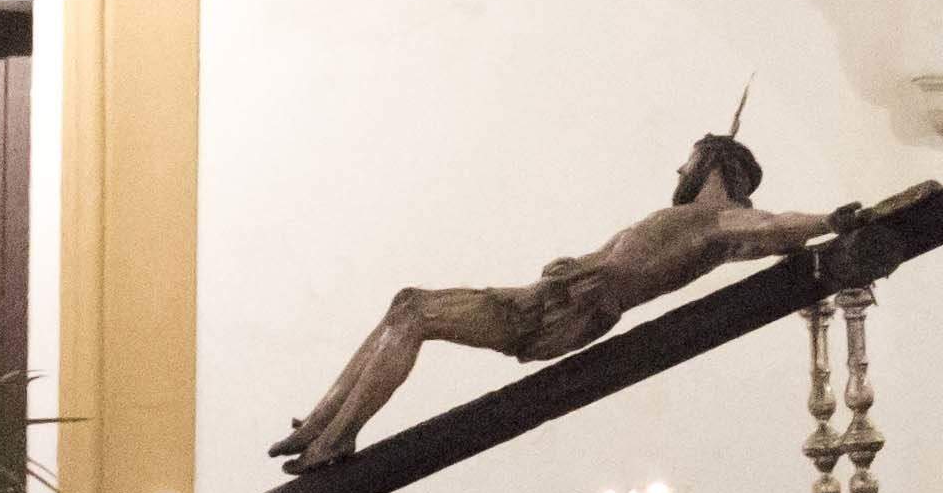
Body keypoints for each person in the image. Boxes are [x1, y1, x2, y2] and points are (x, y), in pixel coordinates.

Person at [273, 130, 850, 469]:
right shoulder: (689, 217)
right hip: (560, 295)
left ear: (710, 162)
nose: (678, 166)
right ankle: (321, 427)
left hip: (568, 309)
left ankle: (337, 435)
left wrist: (831, 219)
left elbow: (776, 226)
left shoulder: (721, 219)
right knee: (408, 304)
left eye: (688, 158)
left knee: (417, 312)